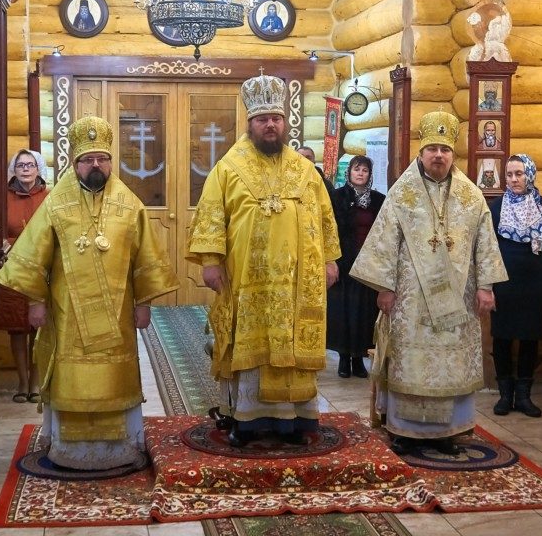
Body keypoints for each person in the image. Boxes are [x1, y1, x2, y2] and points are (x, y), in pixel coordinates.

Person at [0, 116, 179, 471]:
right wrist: (35, 301)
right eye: (87, 159)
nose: (96, 165)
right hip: (67, 314)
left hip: (117, 312)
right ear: (74, 163)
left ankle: (119, 450)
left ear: (111, 161)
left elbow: (147, 257)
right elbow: (34, 256)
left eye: (102, 158)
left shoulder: (130, 204)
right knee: (71, 378)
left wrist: (144, 303)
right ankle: (69, 451)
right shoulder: (55, 203)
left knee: (114, 378)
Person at [186, 74, 341, 448]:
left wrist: (330, 260)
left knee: (296, 345)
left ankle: (301, 420)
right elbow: (211, 216)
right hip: (246, 280)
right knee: (249, 346)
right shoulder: (229, 167)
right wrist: (211, 260)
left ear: (285, 122)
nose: (270, 124)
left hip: (298, 280)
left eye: (276, 117)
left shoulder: (304, 170)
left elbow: (324, 217)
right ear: (250, 123)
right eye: (262, 119)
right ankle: (247, 419)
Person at [352, 111, 507, 456]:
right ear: (420, 153)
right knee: (410, 360)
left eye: (445, 149)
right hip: (410, 299)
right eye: (432, 148)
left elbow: (485, 242)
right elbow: (384, 242)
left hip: (458, 299)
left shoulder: (471, 197)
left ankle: (446, 431)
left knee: (450, 362)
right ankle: (405, 431)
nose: (439, 155)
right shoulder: (401, 194)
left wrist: (486, 287)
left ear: (453, 155)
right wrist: (384, 288)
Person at [488, 154, 542, 418]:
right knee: (503, 338)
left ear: (529, 174)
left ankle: (525, 396)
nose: (514, 179)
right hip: (504, 283)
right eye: (509, 174)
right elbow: (488, 250)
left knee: (530, 338)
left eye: (519, 174)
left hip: (535, 284)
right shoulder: (496, 208)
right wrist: (487, 286)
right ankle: (505, 396)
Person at [0, 149, 49, 403]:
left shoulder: (49, 197)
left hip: (41, 269)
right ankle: (22, 382)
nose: (25, 169)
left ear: (38, 169)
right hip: (13, 268)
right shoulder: (4, 198)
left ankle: (36, 384)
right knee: (17, 328)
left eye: (30, 165)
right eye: (20, 165)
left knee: (39, 327)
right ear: (13, 170)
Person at [327, 156, 385, 379]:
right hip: (344, 263)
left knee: (364, 312)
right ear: (349, 172)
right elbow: (332, 230)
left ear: (370, 175)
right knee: (344, 312)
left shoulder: (379, 200)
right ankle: (344, 358)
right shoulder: (337, 197)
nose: (360, 174)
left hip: (368, 264)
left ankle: (359, 358)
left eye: (365, 171)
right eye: (356, 169)